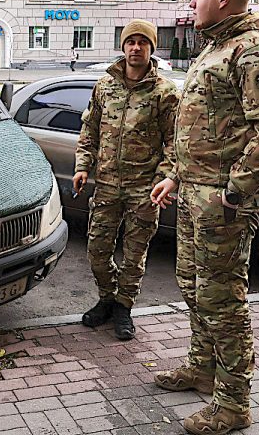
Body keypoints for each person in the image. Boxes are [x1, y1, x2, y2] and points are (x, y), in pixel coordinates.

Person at [150, 0, 259, 435]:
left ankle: (233, 404)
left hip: (222, 205)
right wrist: (175, 175)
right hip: (195, 193)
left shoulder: (254, 50)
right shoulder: (216, 47)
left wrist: (235, 193)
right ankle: (201, 368)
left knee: (222, 300)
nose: (191, 3)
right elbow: (200, 126)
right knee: (194, 288)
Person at [73, 20, 178, 341]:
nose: (136, 47)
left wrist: (166, 179)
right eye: (130, 42)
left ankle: (124, 307)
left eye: (142, 42)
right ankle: (106, 298)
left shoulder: (165, 92)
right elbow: (89, 130)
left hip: (144, 191)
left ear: (151, 48)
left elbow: (175, 142)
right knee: (97, 251)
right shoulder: (104, 87)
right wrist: (82, 167)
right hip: (106, 185)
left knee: (134, 255)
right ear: (122, 46)